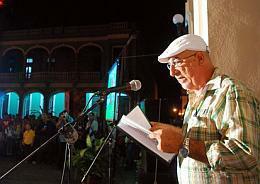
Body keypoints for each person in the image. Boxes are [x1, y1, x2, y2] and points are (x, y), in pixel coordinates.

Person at [149, 34, 259, 183]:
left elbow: (246, 156)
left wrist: (182, 143)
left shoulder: (230, 91)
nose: (172, 72)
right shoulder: (195, 96)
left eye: (177, 62)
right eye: (170, 65)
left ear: (200, 58)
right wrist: (172, 135)